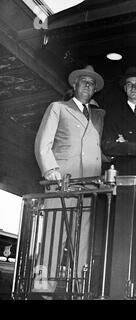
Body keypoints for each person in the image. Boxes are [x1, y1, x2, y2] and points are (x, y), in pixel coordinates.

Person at [34, 65, 105, 291]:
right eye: (83, 81)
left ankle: (79, 288)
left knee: (82, 240)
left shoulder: (95, 119)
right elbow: (42, 143)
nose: (87, 85)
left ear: (94, 91)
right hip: (63, 182)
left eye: (91, 83)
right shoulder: (58, 108)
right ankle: (44, 289)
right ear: (74, 85)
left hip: (88, 185)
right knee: (55, 235)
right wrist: (50, 170)